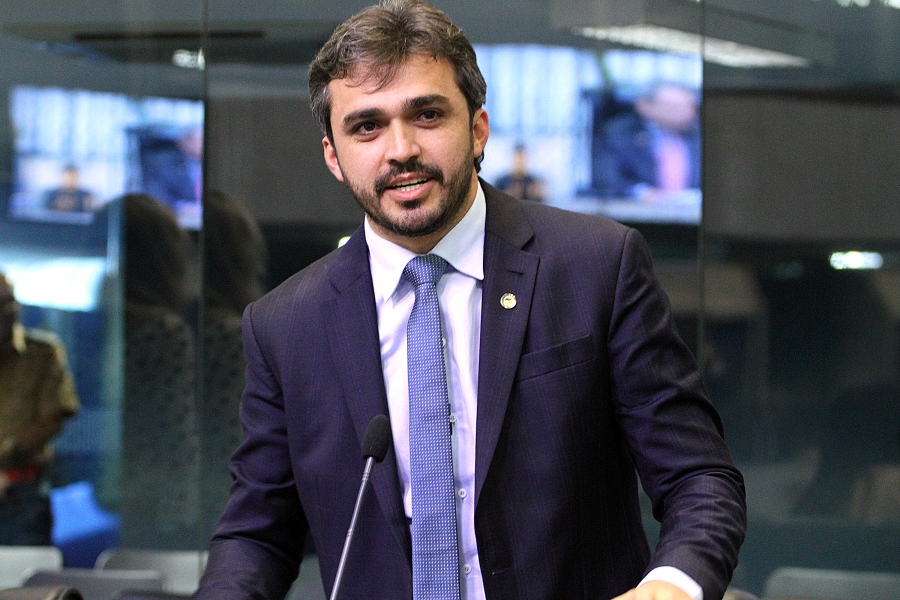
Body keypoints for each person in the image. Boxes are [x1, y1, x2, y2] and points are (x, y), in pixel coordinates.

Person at [196, 2, 746, 599]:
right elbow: (257, 535)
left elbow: (698, 478)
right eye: (367, 126)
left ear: (478, 128)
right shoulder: (286, 325)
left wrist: (671, 586)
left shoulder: (595, 267)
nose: (400, 149)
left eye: (427, 114)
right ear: (334, 156)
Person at [0, 272, 80, 545]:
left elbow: (53, 417)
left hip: (22, 490)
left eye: (9, 302)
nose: (6, 312)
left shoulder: (42, 352)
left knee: (27, 565)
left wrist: (7, 456)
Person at [595, 81, 701, 202]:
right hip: (636, 210)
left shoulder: (701, 134)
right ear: (644, 106)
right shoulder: (618, 133)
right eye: (675, 107)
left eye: (690, 107)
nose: (687, 113)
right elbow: (606, 179)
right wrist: (641, 192)